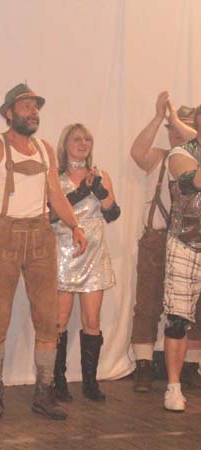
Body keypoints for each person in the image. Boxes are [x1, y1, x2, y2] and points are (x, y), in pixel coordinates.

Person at [0, 83, 87, 421]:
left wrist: (75, 225)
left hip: (40, 235)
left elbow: (55, 195)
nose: (32, 112)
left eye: (35, 107)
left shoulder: (45, 149)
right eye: (25, 107)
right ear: (9, 113)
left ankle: (44, 392)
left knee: (48, 318)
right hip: (3, 233)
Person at [129, 93, 199, 393]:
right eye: (171, 129)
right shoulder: (160, 157)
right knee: (148, 302)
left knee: (193, 306)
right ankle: (144, 364)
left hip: (192, 241)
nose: (175, 133)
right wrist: (159, 117)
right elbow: (137, 152)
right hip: (158, 240)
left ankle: (190, 365)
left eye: (181, 128)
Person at [50, 123, 119, 403]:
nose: (82, 143)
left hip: (93, 253)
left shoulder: (101, 175)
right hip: (63, 252)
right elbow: (51, 213)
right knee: (59, 320)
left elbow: (112, 213)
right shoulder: (55, 177)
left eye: (87, 139)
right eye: (76, 139)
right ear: (65, 145)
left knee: (92, 320)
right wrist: (82, 190)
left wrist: (98, 189)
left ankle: (90, 382)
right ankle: (57, 381)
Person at [161, 104, 201, 412]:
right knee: (178, 319)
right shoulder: (180, 153)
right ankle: (173, 387)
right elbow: (193, 182)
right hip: (186, 243)